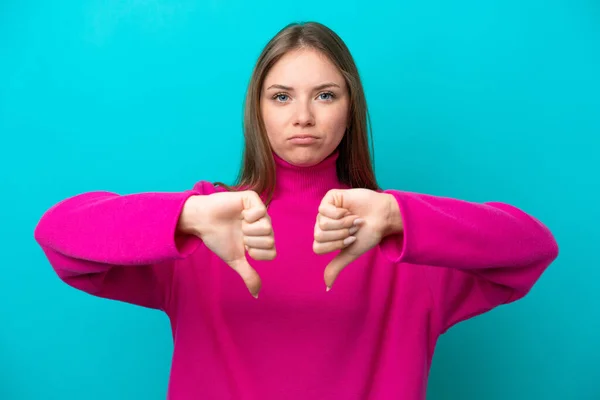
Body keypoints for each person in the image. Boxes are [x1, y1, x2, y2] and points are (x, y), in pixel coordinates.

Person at [34, 21, 559, 400]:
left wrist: (399, 218)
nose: (303, 117)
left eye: (325, 95)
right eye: (281, 97)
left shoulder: (401, 237)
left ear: (351, 108)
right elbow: (59, 236)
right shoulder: (213, 225)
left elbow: (533, 247)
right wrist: (187, 218)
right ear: (256, 110)